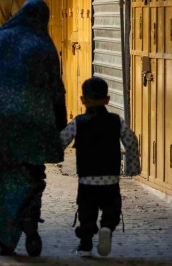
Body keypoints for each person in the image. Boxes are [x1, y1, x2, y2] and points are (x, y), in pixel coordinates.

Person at [0, 0, 67, 257]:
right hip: (30, 121)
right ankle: (30, 222)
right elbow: (55, 89)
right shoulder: (43, 46)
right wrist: (58, 124)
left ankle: (5, 238)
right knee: (31, 174)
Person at [60, 77, 141, 257]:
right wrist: (132, 168)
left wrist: (53, 156)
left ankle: (86, 246)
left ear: (83, 100)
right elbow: (131, 142)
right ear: (107, 100)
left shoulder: (78, 123)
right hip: (110, 178)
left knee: (86, 213)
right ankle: (106, 228)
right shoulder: (116, 121)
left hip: (86, 179)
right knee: (111, 209)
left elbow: (61, 141)